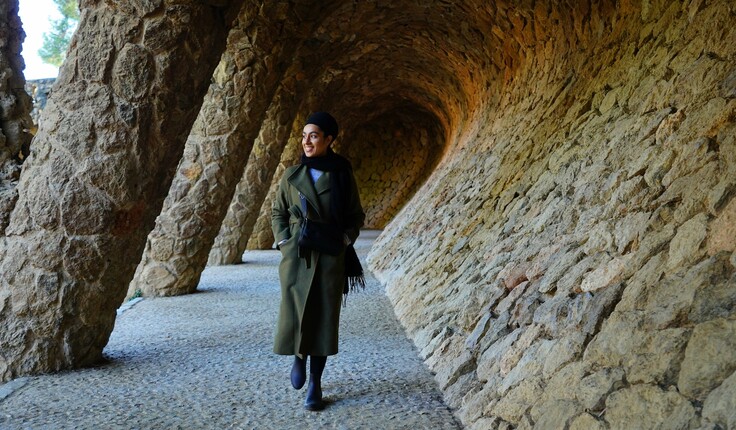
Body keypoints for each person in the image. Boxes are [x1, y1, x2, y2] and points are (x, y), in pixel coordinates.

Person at [271, 112, 365, 411]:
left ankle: (315, 383)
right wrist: (285, 240)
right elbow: (278, 213)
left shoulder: (341, 174)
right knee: (297, 312)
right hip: (297, 256)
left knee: (324, 319)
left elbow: (355, 216)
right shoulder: (291, 175)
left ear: (328, 139)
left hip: (329, 257)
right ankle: (298, 357)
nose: (307, 141)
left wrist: (344, 240)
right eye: (304, 136)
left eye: (313, 135)